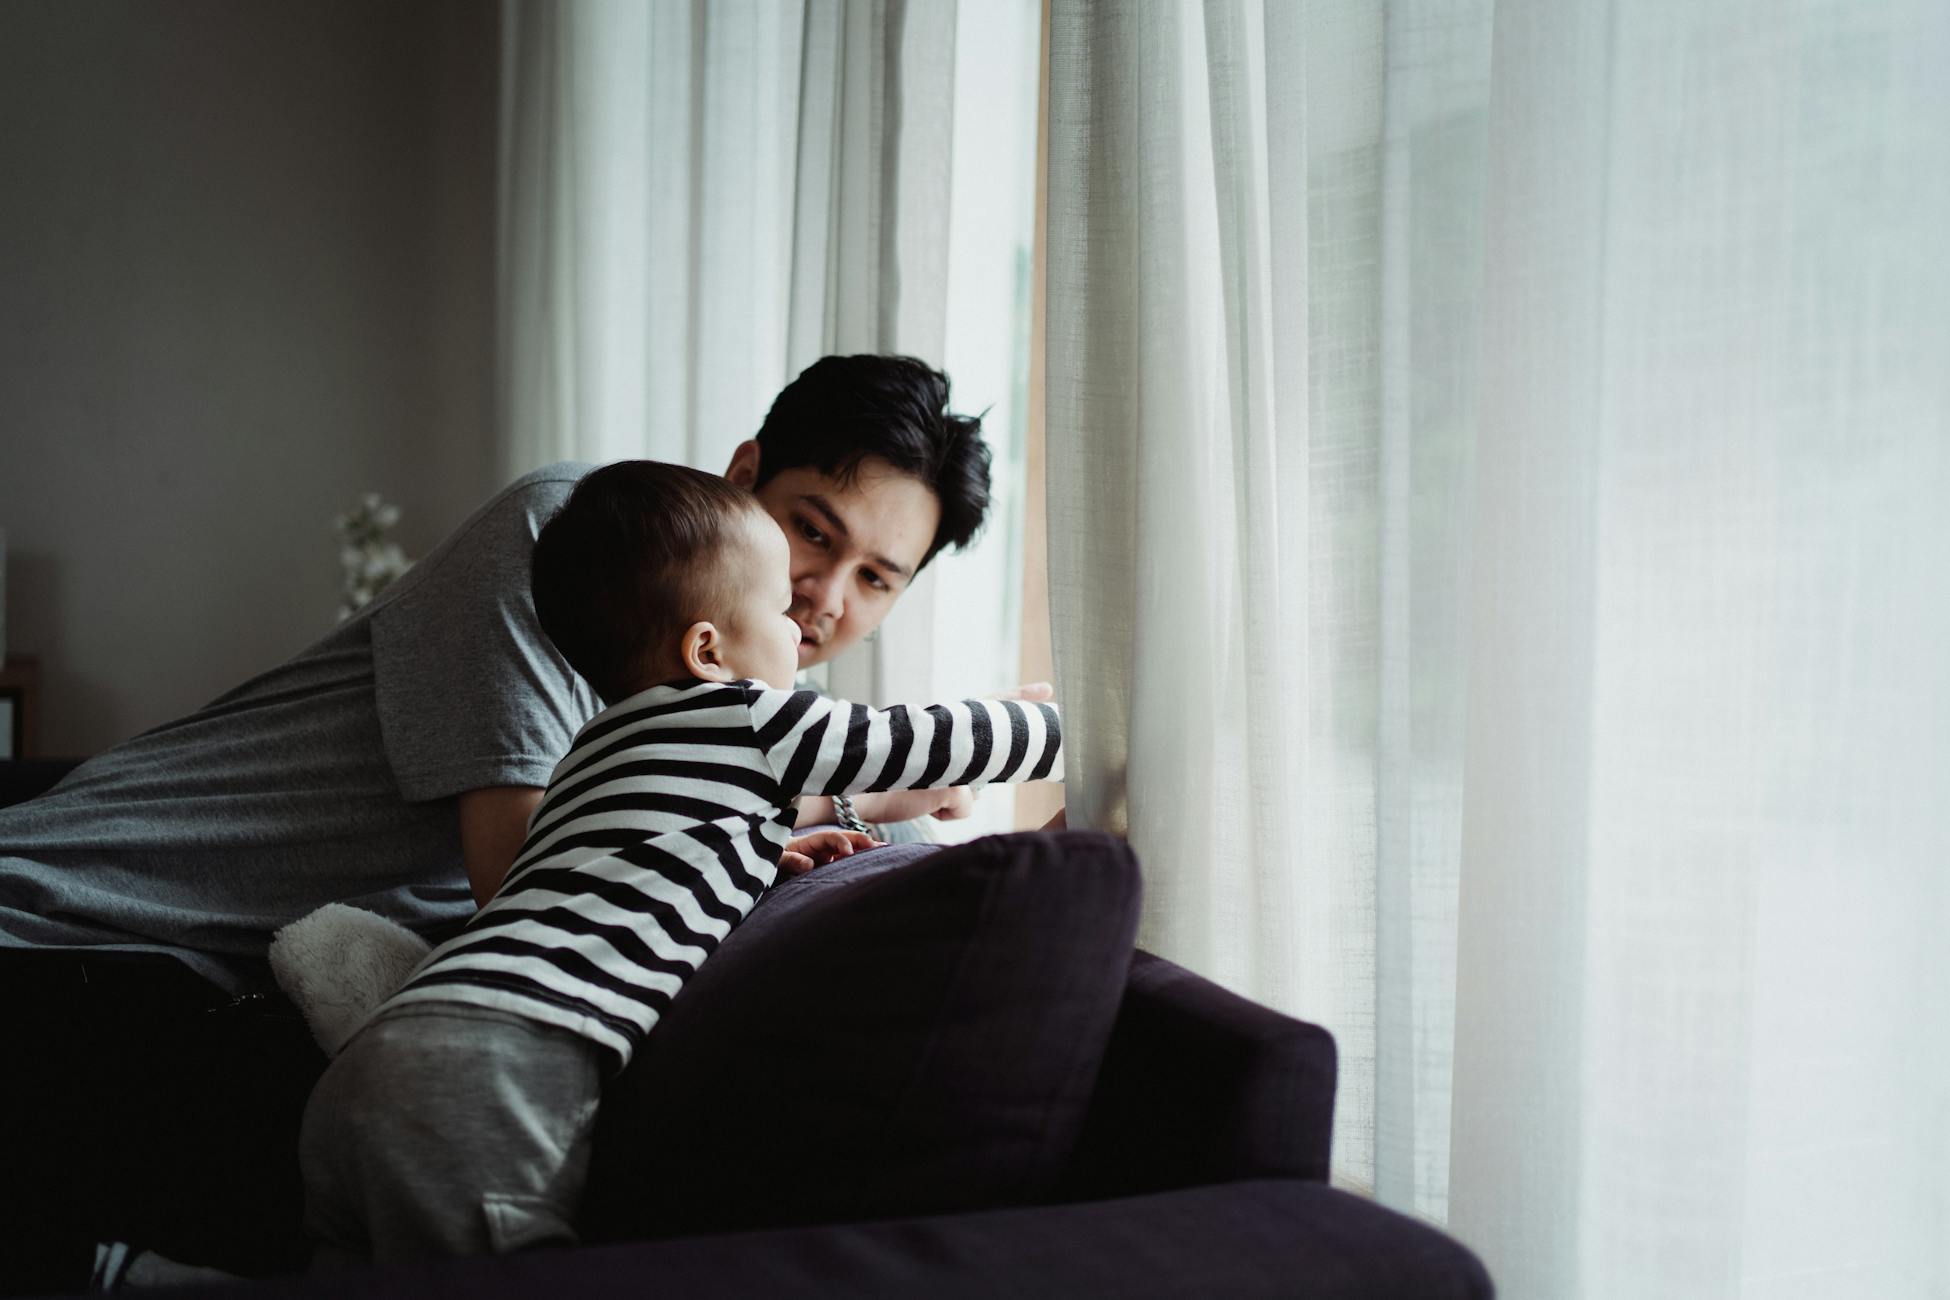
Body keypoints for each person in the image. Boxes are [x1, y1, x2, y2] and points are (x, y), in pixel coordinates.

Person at [0, 354, 1012, 1290]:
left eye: (876, 577)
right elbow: (525, 875)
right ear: (744, 470)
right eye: (814, 528)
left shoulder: (702, 709)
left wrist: (854, 812)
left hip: (252, 985)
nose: (823, 595)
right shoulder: (574, 537)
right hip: (82, 921)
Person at [299, 461, 1061, 1265]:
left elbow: (616, 869)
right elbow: (911, 743)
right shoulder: (743, 716)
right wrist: (1050, 724)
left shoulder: (587, 757)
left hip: (382, 1052)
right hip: (491, 1066)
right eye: (778, 613)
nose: (800, 626)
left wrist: (763, 848)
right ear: (707, 650)